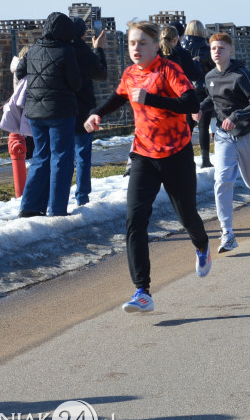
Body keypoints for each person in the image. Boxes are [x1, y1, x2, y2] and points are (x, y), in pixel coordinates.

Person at [85, 20, 211, 314]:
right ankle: (142, 291)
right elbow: (120, 96)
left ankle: (202, 245)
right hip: (143, 154)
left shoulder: (169, 70)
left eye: (143, 43)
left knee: (187, 215)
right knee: (135, 220)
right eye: (132, 43)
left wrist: (152, 98)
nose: (136, 48)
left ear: (156, 46)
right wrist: (96, 114)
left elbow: (191, 101)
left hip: (176, 154)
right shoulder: (130, 74)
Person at [196, 32, 250, 253]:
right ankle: (227, 233)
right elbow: (213, 99)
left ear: (230, 51)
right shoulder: (209, 76)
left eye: (221, 48)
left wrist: (235, 117)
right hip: (223, 137)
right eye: (213, 48)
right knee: (222, 181)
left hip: (247, 134)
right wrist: (200, 109)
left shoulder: (241, 76)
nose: (216, 51)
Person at [14, 12, 82, 218]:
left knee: (40, 158)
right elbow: (76, 83)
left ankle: (29, 206)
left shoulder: (33, 49)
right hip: (61, 112)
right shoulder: (67, 51)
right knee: (61, 159)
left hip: (35, 114)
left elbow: (19, 72)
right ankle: (57, 209)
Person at [70, 18, 107, 207]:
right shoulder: (85, 51)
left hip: (64, 109)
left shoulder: (63, 49)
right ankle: (82, 197)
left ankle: (57, 197)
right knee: (83, 155)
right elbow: (101, 73)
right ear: (84, 34)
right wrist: (98, 49)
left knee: (63, 156)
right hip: (84, 108)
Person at [181, 20, 216, 167]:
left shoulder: (180, 48)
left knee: (187, 126)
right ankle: (205, 160)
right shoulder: (207, 50)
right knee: (204, 125)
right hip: (202, 89)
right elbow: (213, 70)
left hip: (184, 89)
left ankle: (185, 159)